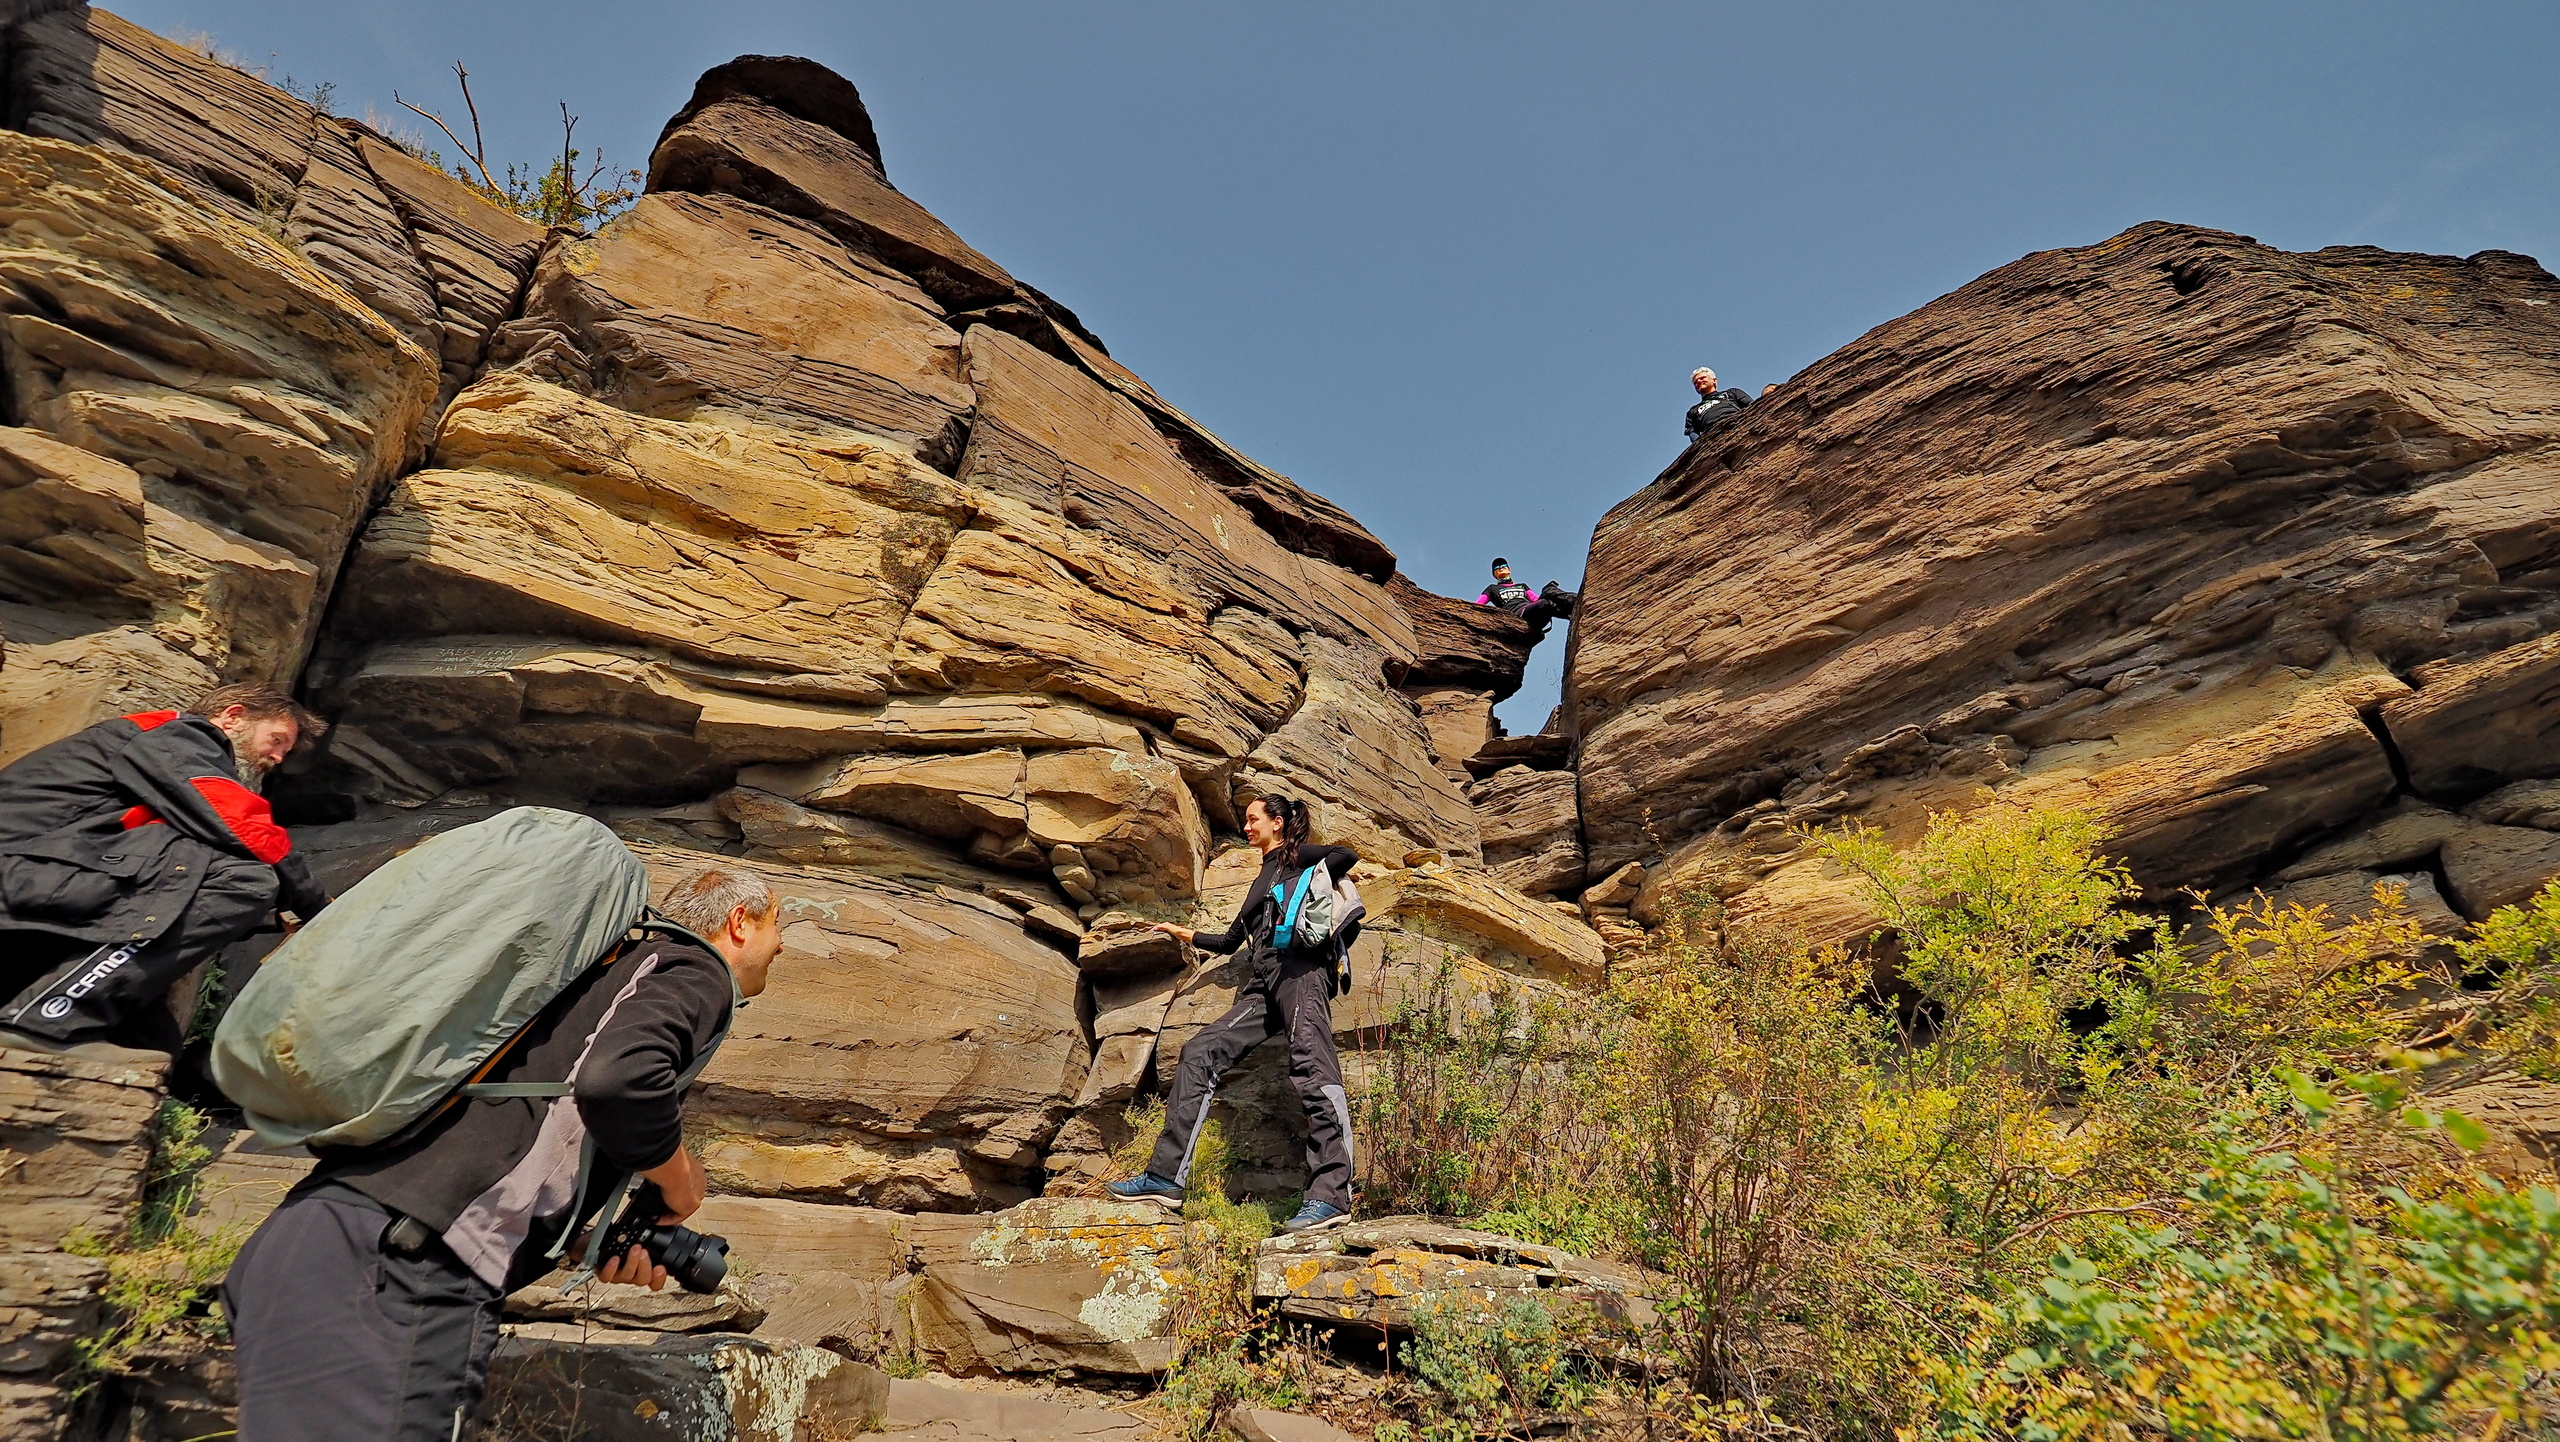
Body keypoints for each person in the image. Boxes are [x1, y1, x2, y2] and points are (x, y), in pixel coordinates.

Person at [222, 866, 786, 1442]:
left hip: (315, 1236)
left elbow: (515, 1136)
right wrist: (679, 1177)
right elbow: (619, 1081)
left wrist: (581, 1243)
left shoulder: (588, 979)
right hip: (402, 1271)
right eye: (776, 925)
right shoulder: (693, 968)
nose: (782, 944)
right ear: (739, 924)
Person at [0, 683, 331, 1059]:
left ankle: (55, 1018)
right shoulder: (176, 735)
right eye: (276, 739)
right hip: (19, 872)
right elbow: (240, 822)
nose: (276, 758)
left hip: (44, 887)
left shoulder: (161, 774)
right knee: (246, 880)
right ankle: (49, 1017)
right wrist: (318, 907)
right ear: (233, 716)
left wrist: (272, 919)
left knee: (152, 1049)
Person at [1109, 795, 1359, 1233]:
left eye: (1253, 819)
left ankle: (1332, 1196)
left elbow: (1345, 856)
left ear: (1277, 823)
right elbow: (1229, 943)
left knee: (1312, 1069)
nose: (1246, 827)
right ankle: (1165, 1179)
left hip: (1302, 973)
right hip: (1263, 985)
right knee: (1199, 1051)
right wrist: (1179, 931)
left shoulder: (1294, 857)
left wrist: (1295, 882)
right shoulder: (1260, 878)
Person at [1475, 558, 1578, 628]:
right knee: (1545, 603)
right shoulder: (1492, 588)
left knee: (1548, 590)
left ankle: (1575, 603)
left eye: (1503, 565)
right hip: (1518, 614)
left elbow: (1535, 599)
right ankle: (1573, 611)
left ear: (1509, 570)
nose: (1500, 567)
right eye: (1496, 568)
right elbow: (1478, 605)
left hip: (1534, 610)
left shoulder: (1522, 586)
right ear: (1494, 574)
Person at [1684, 366, 1754, 443]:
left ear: (1714, 381)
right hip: (1712, 437)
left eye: (1702, 378)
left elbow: (1751, 405)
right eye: (1695, 382)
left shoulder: (1731, 392)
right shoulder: (1693, 410)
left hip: (1738, 424)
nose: (1699, 381)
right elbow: (1692, 432)